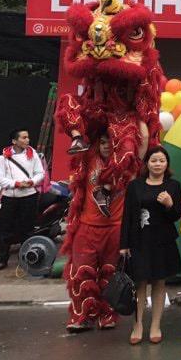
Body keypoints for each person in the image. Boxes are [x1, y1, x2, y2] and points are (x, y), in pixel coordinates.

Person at [120, 146, 181, 345]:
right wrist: (124, 244)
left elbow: (176, 216)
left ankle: (155, 325)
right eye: (154, 160)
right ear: (147, 163)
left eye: (162, 161)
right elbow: (127, 216)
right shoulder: (135, 186)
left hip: (162, 241)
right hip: (139, 241)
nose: (158, 164)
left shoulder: (173, 185)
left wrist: (170, 204)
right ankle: (137, 324)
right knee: (139, 284)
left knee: (159, 283)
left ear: (167, 164)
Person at [64, 135, 125, 332]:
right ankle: (83, 316)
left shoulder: (127, 164)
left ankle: (107, 315)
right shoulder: (89, 158)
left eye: (111, 142)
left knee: (110, 274)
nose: (107, 146)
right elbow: (83, 129)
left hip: (115, 228)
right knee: (82, 274)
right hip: (86, 227)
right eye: (103, 142)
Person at [0, 129, 43, 271]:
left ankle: (27, 259)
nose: (28, 140)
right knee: (5, 229)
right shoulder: (3, 158)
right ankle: (3, 259)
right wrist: (16, 184)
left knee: (27, 229)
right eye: (24, 137)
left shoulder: (33, 155)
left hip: (29, 197)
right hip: (10, 198)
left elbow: (40, 173)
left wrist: (32, 182)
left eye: (28, 137)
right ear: (14, 141)